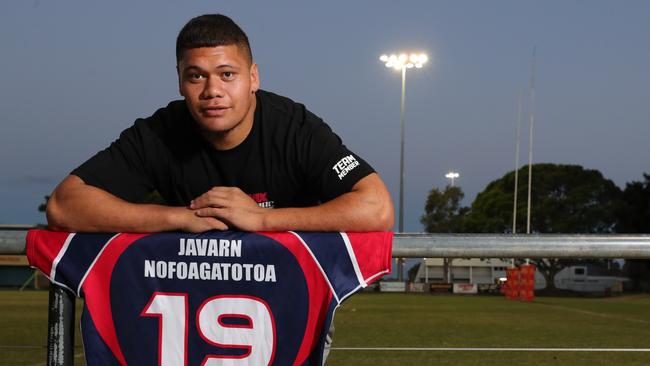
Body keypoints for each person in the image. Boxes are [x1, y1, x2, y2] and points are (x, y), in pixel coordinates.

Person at [46, 13, 393, 235]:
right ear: (180, 82)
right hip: (197, 290)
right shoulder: (160, 132)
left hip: (291, 293)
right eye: (196, 76)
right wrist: (176, 218)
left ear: (253, 77)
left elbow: (376, 207)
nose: (213, 91)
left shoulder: (294, 128)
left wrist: (262, 219)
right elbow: (65, 205)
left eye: (228, 75)